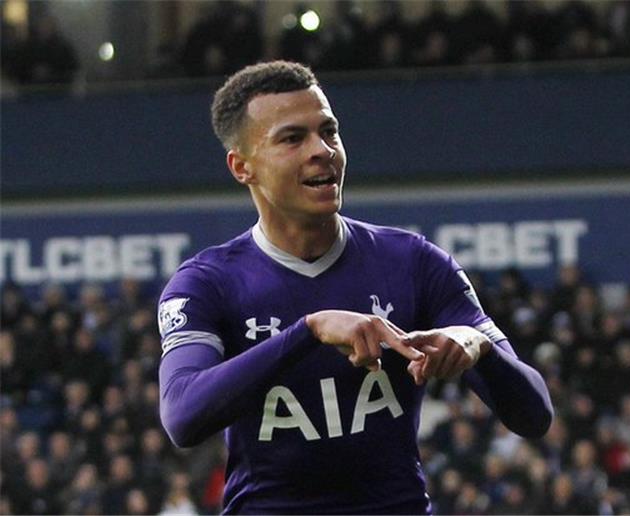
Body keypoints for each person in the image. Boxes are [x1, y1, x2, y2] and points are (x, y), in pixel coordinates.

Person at [157, 60, 552, 514]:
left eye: (329, 132)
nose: (322, 150)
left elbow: (535, 414)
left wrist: (477, 345)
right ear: (242, 166)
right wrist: (309, 331)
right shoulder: (207, 283)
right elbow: (182, 416)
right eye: (292, 138)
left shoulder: (413, 262)